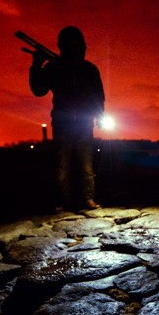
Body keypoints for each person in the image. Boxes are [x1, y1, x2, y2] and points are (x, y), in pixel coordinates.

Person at [28, 26, 105, 211]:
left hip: (85, 124)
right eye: (69, 41)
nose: (74, 45)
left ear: (82, 44)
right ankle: (62, 202)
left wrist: (101, 114)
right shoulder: (54, 66)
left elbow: (98, 95)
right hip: (62, 124)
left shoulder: (89, 69)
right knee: (61, 167)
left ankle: (88, 199)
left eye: (76, 41)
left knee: (87, 167)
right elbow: (39, 90)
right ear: (62, 44)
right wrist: (36, 66)